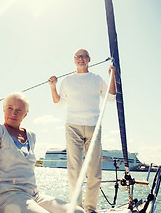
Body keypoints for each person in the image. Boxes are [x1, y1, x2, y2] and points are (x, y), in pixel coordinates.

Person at [0, 92, 85, 213]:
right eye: (10, 108)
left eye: (19, 110)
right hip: (4, 195)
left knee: (78, 211)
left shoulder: (31, 135)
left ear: (25, 114)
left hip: (33, 194)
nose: (13, 113)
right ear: (3, 109)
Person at [48, 49, 116, 213]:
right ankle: (76, 208)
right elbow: (58, 104)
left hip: (94, 126)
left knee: (94, 171)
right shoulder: (67, 81)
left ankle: (91, 208)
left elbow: (111, 97)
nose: (81, 59)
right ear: (74, 60)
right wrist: (53, 86)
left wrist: (112, 75)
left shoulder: (97, 79)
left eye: (84, 56)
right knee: (74, 170)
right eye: (78, 56)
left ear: (89, 59)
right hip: (73, 126)